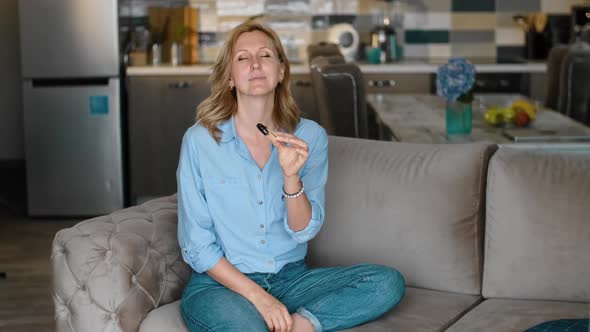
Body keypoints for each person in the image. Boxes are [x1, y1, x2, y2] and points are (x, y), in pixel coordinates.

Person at [176, 21, 405, 332]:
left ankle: (302, 327)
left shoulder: (310, 136)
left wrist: (291, 177)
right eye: (243, 58)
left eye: (265, 55)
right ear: (229, 77)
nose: (255, 64)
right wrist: (261, 299)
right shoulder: (201, 140)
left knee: (386, 283)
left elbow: (302, 232)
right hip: (222, 286)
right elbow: (197, 244)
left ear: (281, 70)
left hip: (293, 279)